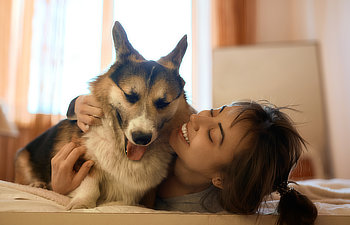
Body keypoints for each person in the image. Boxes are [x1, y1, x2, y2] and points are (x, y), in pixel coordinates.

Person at [51, 95, 317, 225]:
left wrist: (62, 189)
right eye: (214, 111)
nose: (197, 118)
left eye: (213, 135)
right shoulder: (167, 129)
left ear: (221, 179)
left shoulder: (198, 215)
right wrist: (78, 105)